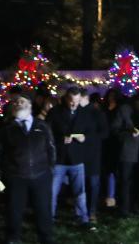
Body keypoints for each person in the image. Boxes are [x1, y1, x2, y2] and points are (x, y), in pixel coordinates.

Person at [0, 94, 56, 244]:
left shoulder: (42, 126)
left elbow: (51, 148)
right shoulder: (6, 130)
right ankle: (13, 238)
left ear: (30, 105)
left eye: (22, 101)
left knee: (43, 210)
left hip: (41, 176)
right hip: (15, 176)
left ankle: (45, 238)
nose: (18, 103)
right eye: (15, 102)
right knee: (14, 210)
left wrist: (50, 168)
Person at [46, 87, 95, 230]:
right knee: (52, 191)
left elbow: (91, 131)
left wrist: (84, 137)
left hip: (77, 158)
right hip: (59, 159)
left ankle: (83, 218)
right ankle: (49, 218)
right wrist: (60, 139)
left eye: (77, 101)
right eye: (72, 101)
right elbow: (46, 134)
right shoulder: (55, 112)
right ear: (66, 99)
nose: (75, 104)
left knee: (80, 192)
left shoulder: (84, 113)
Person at [78, 90, 109, 224]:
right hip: (81, 153)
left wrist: (87, 137)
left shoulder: (97, 113)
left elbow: (105, 133)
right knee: (82, 184)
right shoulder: (77, 112)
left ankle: (91, 211)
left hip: (93, 153)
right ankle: (83, 211)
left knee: (92, 183)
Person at [111, 102, 139, 217]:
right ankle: (124, 208)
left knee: (137, 180)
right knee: (126, 181)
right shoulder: (125, 109)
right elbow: (115, 129)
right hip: (128, 152)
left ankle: (134, 205)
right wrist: (128, 134)